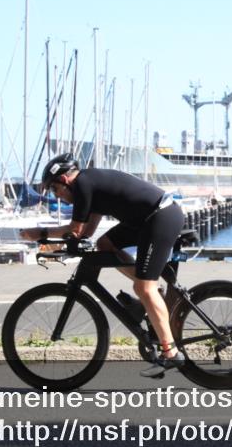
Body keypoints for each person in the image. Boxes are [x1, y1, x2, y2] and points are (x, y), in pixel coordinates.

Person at [19, 153, 186, 377]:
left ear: (64, 181)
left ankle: (170, 353)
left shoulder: (84, 185)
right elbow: (85, 233)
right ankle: (149, 297)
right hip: (147, 219)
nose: (56, 196)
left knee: (143, 288)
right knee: (104, 245)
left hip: (161, 217)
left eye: (54, 190)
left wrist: (39, 233)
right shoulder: (90, 186)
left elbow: (75, 229)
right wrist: (61, 245)